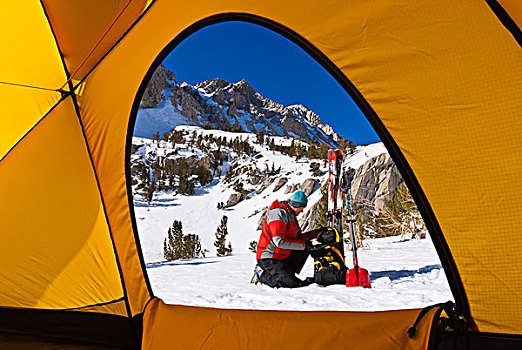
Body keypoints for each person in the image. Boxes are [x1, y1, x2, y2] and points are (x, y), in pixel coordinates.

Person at [252, 190, 326, 288]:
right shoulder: (277, 214)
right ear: (296, 205)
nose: (302, 211)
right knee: (290, 283)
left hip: (282, 256)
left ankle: (288, 273)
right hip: (269, 257)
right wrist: (304, 245)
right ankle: (262, 275)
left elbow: (297, 238)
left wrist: (315, 233)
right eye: (302, 208)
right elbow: (279, 242)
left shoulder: (291, 215)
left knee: (306, 246)